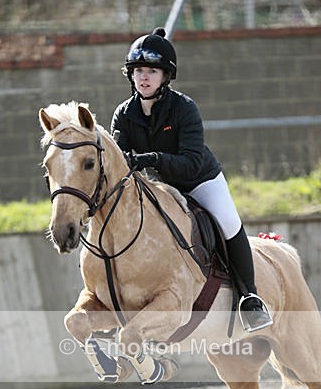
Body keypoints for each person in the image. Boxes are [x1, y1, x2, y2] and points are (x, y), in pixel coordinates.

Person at [110, 27, 272, 332]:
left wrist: (152, 159)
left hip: (199, 181)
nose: (144, 77)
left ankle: (250, 299)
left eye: (152, 71)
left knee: (228, 222)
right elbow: (120, 165)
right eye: (139, 71)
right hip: (159, 189)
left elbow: (191, 161)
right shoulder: (123, 114)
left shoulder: (184, 108)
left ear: (165, 76)